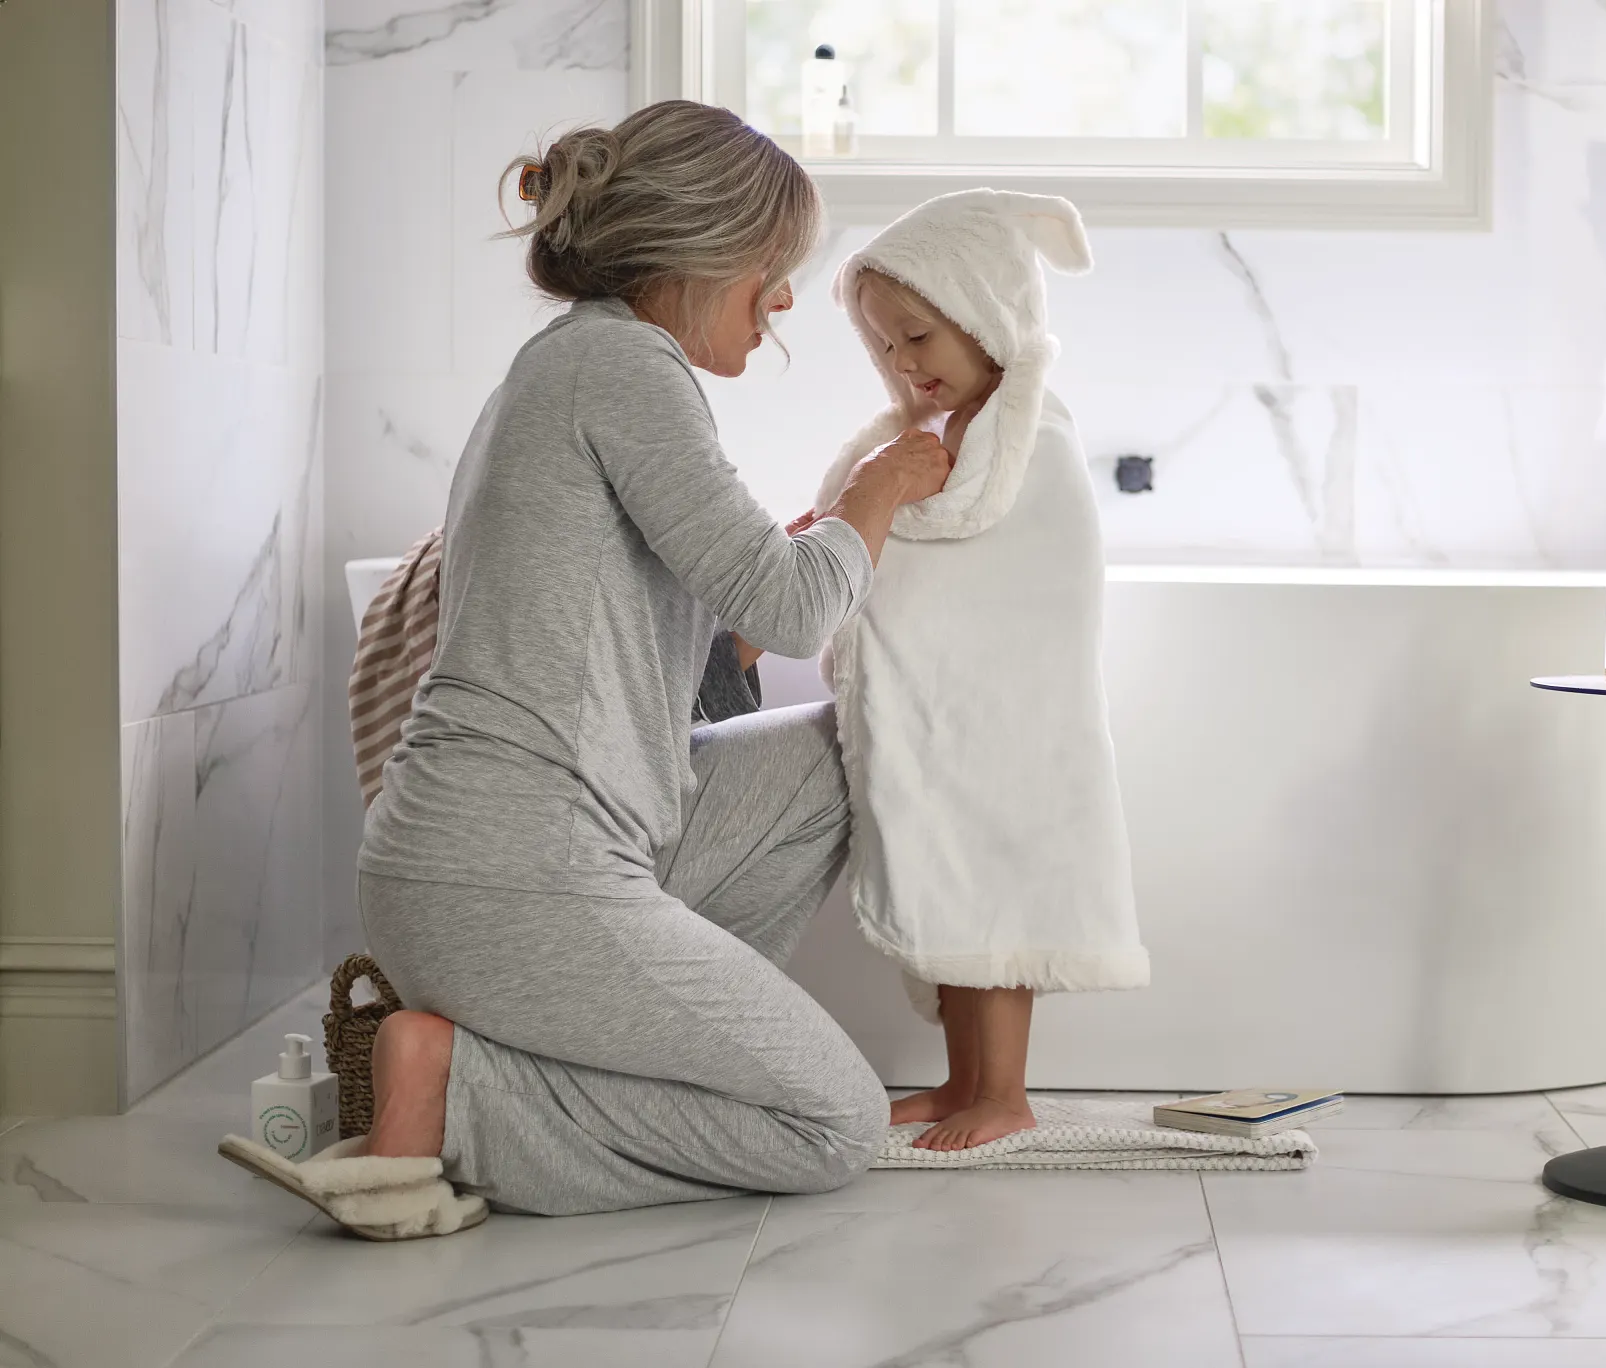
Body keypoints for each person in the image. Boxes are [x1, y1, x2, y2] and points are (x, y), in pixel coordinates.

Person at [226, 101, 955, 1235]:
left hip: (532, 847)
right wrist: (877, 494)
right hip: (510, 870)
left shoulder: (577, 367)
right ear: (699, 255)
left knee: (832, 756)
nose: (781, 304)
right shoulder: (623, 367)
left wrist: (762, 605)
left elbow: (678, 652)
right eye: (771, 270)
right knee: (833, 1126)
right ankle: (463, 1090)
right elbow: (794, 603)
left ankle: (599, 1051)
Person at [813, 192, 1149, 1152]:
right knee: (952, 885)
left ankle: (1005, 1093)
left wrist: (882, 507)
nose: (903, 366)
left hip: (1007, 714)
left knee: (996, 891)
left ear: (988, 313)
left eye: (917, 336)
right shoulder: (945, 430)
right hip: (945, 713)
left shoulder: (1025, 433)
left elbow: (996, 555)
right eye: (882, 349)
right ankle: (964, 1082)